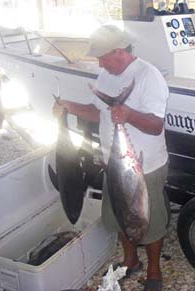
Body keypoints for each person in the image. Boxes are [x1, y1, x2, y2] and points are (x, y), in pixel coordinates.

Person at [53, 25, 170, 291]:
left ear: (119, 51)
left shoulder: (148, 76)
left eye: (102, 57)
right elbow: (98, 113)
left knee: (149, 222)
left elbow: (155, 126)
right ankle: (130, 261)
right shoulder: (106, 74)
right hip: (114, 164)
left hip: (145, 167)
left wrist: (128, 115)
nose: (99, 62)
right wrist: (68, 106)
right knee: (119, 215)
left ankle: (154, 270)